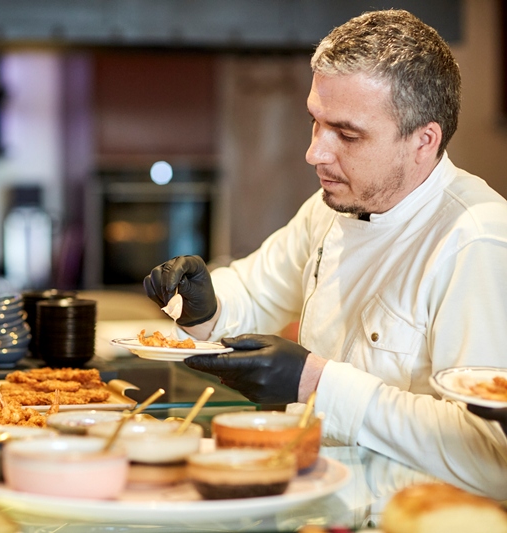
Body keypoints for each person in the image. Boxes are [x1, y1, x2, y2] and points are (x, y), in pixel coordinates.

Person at [144, 10, 507, 499]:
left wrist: (316, 384)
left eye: (347, 134)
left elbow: (492, 458)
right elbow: (255, 292)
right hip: (321, 505)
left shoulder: (478, 241)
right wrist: (207, 304)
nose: (315, 153)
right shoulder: (331, 207)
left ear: (424, 141)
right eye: (315, 123)